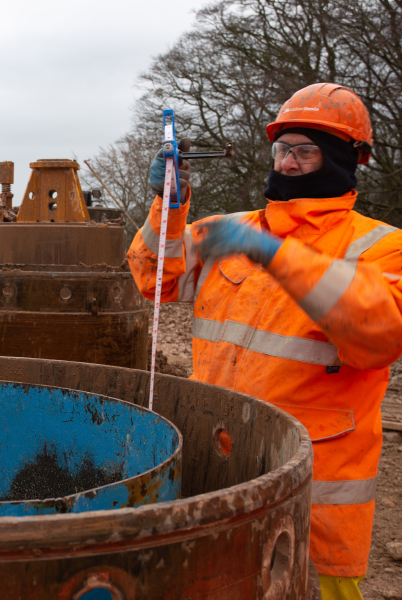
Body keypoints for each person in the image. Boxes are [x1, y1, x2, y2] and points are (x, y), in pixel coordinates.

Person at [128, 83, 402, 599]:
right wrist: (169, 205)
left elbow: (378, 333)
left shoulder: (381, 246)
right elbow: (155, 279)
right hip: (221, 468)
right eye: (283, 149)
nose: (290, 163)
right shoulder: (233, 229)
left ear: (346, 159)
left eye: (305, 151)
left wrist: (275, 255)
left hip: (315, 497)